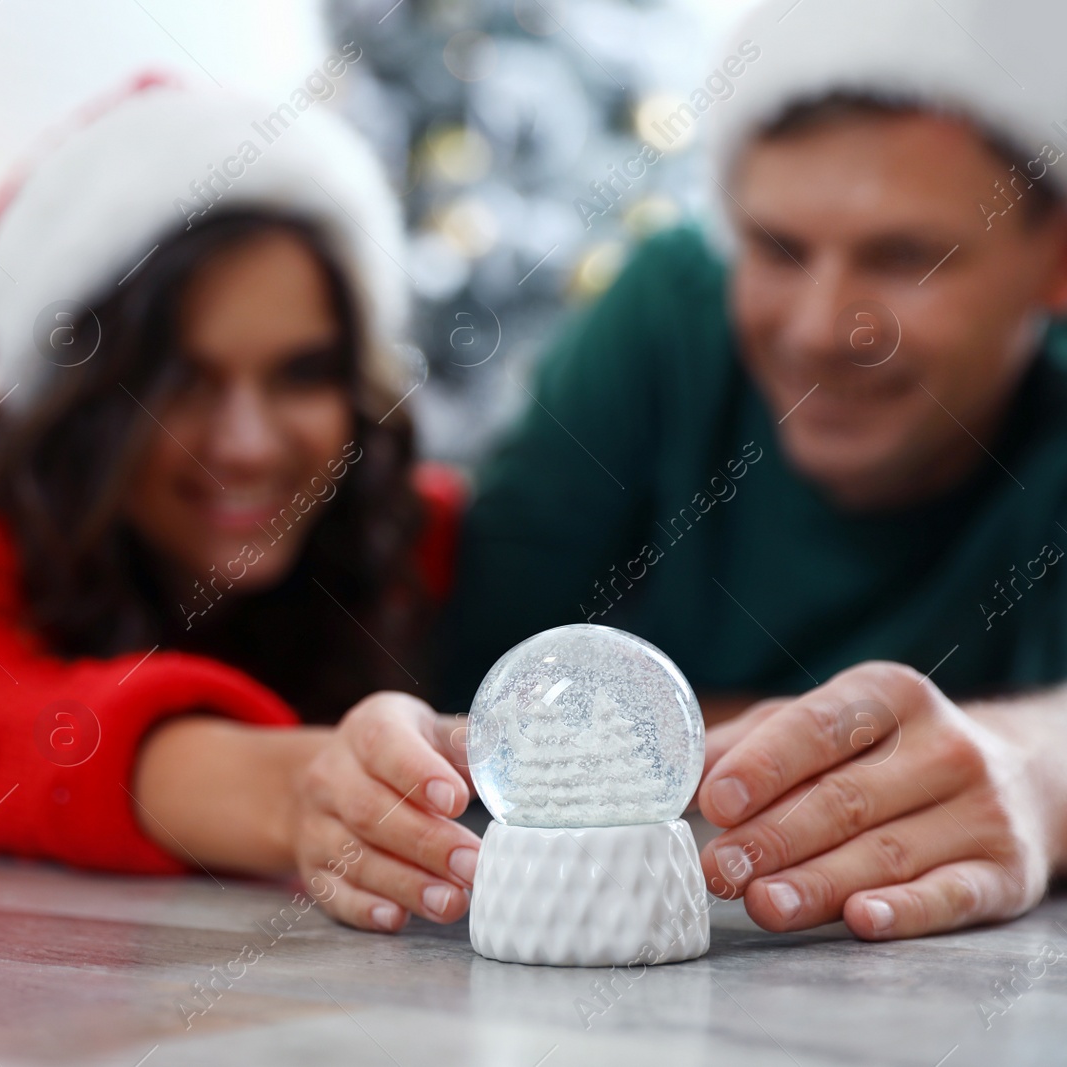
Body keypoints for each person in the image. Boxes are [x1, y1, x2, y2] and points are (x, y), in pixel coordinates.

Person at [0, 79, 486, 934]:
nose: (246, 443)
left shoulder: (393, 519)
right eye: (181, 384)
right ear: (89, 404)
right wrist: (301, 792)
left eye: (301, 373)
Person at [440, 0, 1067, 940]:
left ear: (1054, 260)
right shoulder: (665, 314)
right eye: (775, 248)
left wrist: (1040, 762)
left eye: (906, 257)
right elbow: (467, 688)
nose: (820, 328)